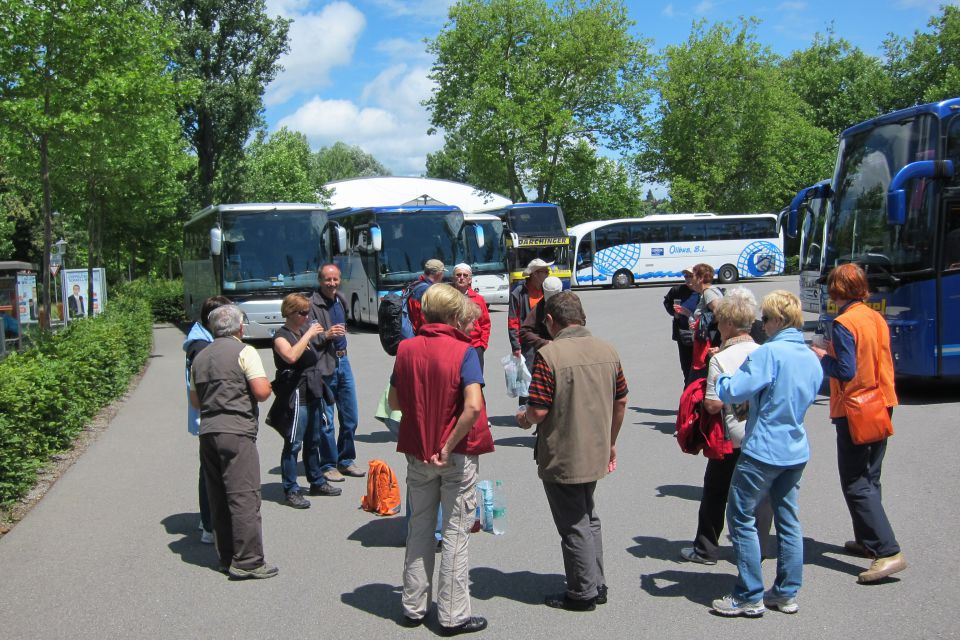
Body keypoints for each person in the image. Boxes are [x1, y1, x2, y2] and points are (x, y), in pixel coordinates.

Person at [389, 284, 493, 635]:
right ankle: (452, 615)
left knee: (418, 527)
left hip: (419, 451)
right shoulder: (464, 352)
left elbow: (394, 402)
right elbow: (473, 407)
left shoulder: (405, 349)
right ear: (452, 316)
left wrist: (424, 420)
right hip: (454, 452)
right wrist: (447, 444)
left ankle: (413, 606)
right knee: (455, 531)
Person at [711, 291, 822, 617]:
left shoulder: (768, 354)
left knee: (740, 516)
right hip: (795, 447)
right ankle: (786, 592)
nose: (764, 324)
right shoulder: (810, 357)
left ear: (777, 320)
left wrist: (724, 377)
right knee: (788, 520)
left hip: (763, 450)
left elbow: (733, 391)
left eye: (767, 318)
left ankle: (749, 593)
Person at [517, 291, 628, 612]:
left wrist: (522, 418)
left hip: (563, 451)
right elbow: (621, 400)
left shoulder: (550, 356)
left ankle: (582, 592)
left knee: (573, 524)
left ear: (551, 321)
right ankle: (597, 581)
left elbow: (537, 411)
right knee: (588, 515)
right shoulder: (608, 349)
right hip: (595, 446)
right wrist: (611, 441)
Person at [810, 263, 905, 583]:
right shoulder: (874, 316)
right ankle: (868, 538)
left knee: (855, 481)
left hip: (856, 406)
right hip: (882, 401)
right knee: (870, 476)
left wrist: (822, 357)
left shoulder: (844, 322)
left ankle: (887, 550)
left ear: (837, 290)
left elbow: (846, 370)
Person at [679, 288, 773, 565]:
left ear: (729, 324)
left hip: (731, 434)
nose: (717, 327)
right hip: (760, 433)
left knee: (716, 491)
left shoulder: (721, 358)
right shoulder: (763, 351)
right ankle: (760, 546)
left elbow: (713, 404)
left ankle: (706, 548)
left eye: (719, 322)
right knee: (760, 492)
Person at [189, 305, 276, 579]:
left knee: (218, 497)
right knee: (244, 495)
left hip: (209, 432)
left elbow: (195, 401)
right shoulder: (245, 351)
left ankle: (226, 556)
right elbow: (261, 392)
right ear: (240, 328)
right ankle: (248, 560)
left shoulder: (199, 357)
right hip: (236, 431)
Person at [271, 293, 341, 509]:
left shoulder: (301, 332)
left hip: (312, 391)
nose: (306, 316)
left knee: (314, 440)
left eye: (307, 312)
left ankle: (317, 481)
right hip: (296, 395)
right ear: (289, 313)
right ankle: (291, 489)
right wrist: (309, 334)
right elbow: (291, 357)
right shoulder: (281, 336)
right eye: (302, 313)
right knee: (294, 444)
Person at [308, 264, 364, 482]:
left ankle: (346, 459)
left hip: (343, 360)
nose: (332, 284)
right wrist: (327, 335)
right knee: (326, 420)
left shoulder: (340, 299)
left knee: (350, 416)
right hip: (323, 364)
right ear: (320, 281)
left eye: (335, 279)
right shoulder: (312, 305)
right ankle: (329, 464)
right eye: (327, 280)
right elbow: (307, 338)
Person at [183, 295, 232, 544]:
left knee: (209, 469)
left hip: (207, 416)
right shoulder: (201, 347)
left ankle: (208, 520)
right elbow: (200, 390)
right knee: (210, 471)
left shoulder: (200, 340)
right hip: (209, 416)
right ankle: (210, 525)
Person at [508, 258, 551, 404]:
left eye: (547, 271)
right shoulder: (518, 292)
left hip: (545, 340)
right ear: (534, 274)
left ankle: (543, 408)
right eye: (544, 271)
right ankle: (524, 411)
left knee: (545, 375)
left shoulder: (547, 290)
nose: (547, 274)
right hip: (526, 343)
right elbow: (513, 320)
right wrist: (516, 345)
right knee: (526, 378)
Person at [678, 263, 723, 384]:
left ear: (700, 278)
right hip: (708, 342)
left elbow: (720, 313)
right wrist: (689, 314)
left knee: (699, 379)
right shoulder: (710, 291)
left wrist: (702, 323)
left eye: (693, 276)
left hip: (709, 343)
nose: (691, 280)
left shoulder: (708, 292)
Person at [663, 269, 700, 383]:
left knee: (700, 368)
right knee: (686, 368)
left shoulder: (703, 292)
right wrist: (674, 313)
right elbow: (667, 301)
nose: (688, 279)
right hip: (683, 334)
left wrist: (689, 314)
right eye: (686, 276)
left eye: (691, 276)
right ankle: (689, 394)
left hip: (700, 335)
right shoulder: (677, 290)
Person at [452, 263, 491, 371]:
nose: (461, 278)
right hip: (454, 346)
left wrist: (482, 345)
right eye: (458, 275)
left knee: (476, 381)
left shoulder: (479, 299)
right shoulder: (448, 298)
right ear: (453, 278)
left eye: (465, 275)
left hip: (475, 346)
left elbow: (485, 323)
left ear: (470, 280)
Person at [518, 276, 563, 363]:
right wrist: (545, 343)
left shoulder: (570, 303)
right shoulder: (540, 307)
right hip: (546, 355)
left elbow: (580, 323)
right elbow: (524, 331)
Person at [407, 259, 446, 335]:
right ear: (439, 273)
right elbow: (427, 319)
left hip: (414, 331)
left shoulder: (415, 285)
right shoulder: (429, 291)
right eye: (443, 272)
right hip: (423, 334)